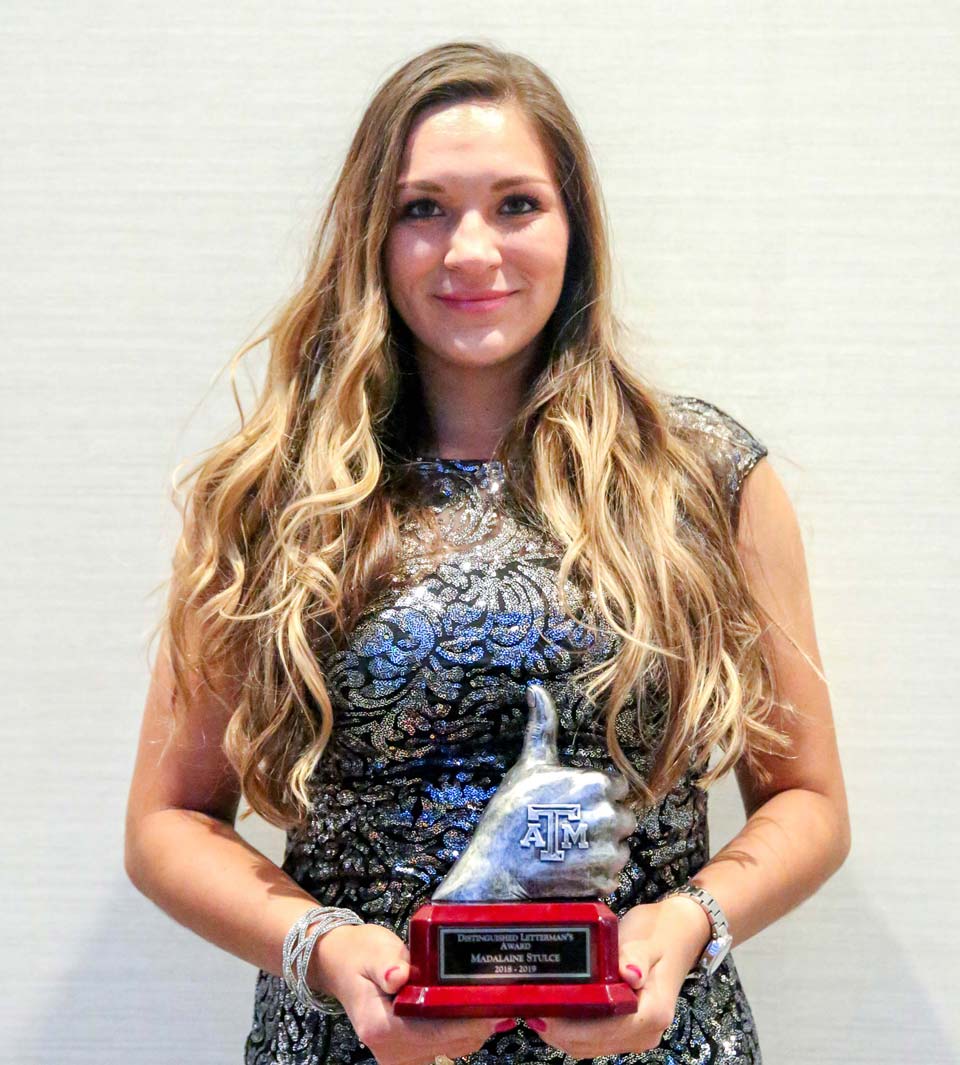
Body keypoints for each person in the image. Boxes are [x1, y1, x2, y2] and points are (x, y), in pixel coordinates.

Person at [124, 40, 851, 1065]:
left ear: (574, 228)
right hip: (350, 1044)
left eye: (516, 205)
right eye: (424, 209)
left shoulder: (704, 475)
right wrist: (328, 952)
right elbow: (166, 823)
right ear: (371, 236)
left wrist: (687, 928)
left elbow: (809, 802)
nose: (471, 250)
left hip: (656, 1044)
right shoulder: (269, 491)